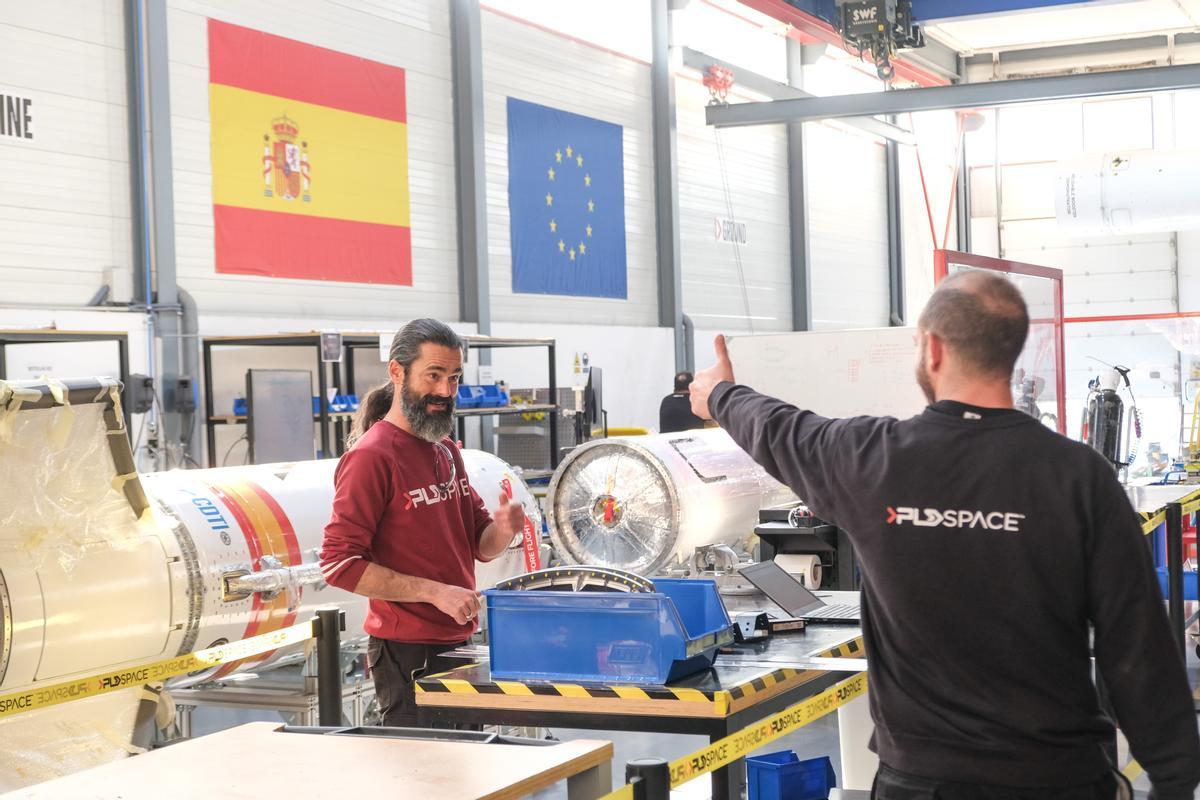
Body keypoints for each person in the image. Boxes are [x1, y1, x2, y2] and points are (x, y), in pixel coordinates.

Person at [689, 271, 1200, 800]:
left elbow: (779, 428)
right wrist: (1175, 783)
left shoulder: (871, 459)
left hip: (921, 783)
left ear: (932, 349)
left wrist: (719, 394)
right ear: (1010, 352)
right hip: (1058, 777)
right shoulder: (1080, 477)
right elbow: (1138, 652)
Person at [319, 319, 526, 727]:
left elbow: (477, 543)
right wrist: (435, 593)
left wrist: (503, 530)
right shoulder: (372, 457)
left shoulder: (445, 449)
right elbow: (338, 564)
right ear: (397, 372)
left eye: (454, 378)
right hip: (406, 653)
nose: (445, 391)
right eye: (433, 375)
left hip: (458, 642)